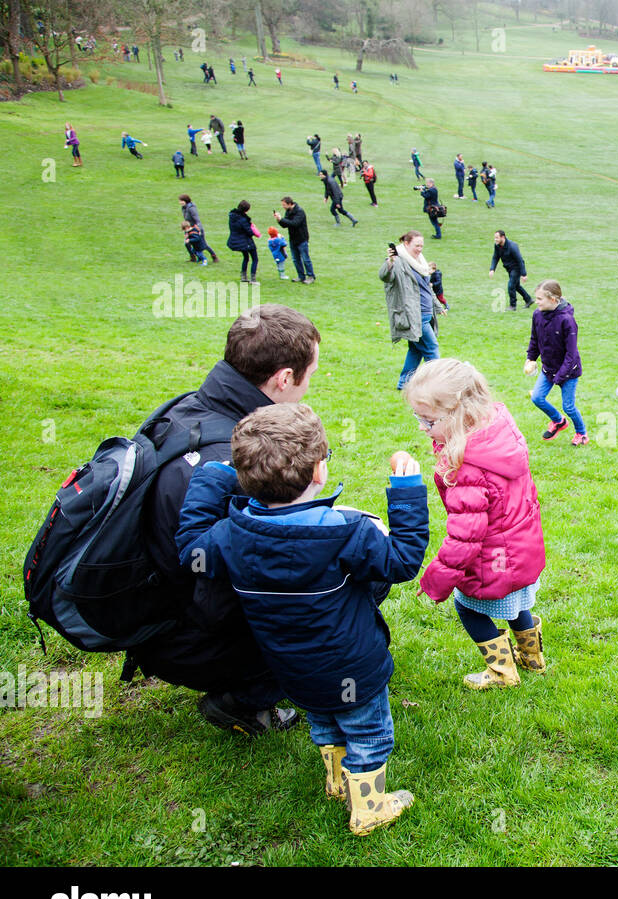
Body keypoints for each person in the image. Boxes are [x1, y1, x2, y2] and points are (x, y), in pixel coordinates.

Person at [175, 403, 428, 835]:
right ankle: (368, 808)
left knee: (323, 717)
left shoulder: (232, 533)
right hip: (353, 666)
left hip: (290, 666)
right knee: (368, 733)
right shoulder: (345, 531)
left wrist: (210, 478)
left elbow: (190, 551)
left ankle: (335, 779)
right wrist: (405, 492)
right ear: (318, 472)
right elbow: (402, 562)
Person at [124, 306, 321, 736]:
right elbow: (254, 578)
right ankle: (244, 697)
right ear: (283, 379)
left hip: (150, 617)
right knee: (336, 577)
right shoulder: (239, 458)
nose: (308, 389)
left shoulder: (186, 409)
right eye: (309, 375)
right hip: (185, 636)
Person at [407, 359, 548, 690]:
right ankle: (533, 658)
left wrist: (437, 581)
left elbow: (463, 538)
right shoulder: (496, 429)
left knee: (468, 608)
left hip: (493, 560)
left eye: (427, 421)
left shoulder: (465, 467)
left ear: (456, 413)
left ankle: (502, 673)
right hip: (521, 548)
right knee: (516, 604)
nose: (421, 427)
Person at [525, 280, 587, 445]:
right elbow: (534, 339)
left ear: (553, 299)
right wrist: (530, 358)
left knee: (568, 406)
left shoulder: (567, 320)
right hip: (549, 369)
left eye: (539, 299)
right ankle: (559, 421)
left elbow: (571, 354)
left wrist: (558, 378)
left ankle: (582, 433)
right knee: (537, 398)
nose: (536, 302)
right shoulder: (537, 315)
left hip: (569, 371)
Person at [384, 231, 446, 390]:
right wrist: (390, 261)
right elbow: (385, 276)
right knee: (432, 348)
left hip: (426, 312)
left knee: (415, 350)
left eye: (421, 245)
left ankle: (403, 383)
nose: (419, 249)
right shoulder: (399, 261)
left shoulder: (420, 262)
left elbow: (426, 288)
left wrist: (438, 307)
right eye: (416, 245)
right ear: (406, 244)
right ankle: (438, 383)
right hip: (415, 316)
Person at [274, 196, 315, 283]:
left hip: (302, 239)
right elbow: (285, 225)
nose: (283, 207)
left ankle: (311, 276)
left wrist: (282, 219)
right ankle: (301, 276)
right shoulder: (288, 211)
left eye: (284, 205)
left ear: (290, 204)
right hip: (293, 239)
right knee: (295, 259)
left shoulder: (300, 212)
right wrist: (279, 220)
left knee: (305, 259)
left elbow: (294, 223)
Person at [489, 230, 531, 311]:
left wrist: (524, 274)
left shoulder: (512, 246)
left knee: (511, 286)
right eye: (495, 238)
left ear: (503, 237)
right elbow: (495, 257)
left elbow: (520, 260)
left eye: (497, 238)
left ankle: (513, 306)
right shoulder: (497, 246)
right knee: (516, 286)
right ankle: (528, 299)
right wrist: (492, 269)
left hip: (516, 268)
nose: (495, 240)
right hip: (509, 268)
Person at [226, 200, 260, 283]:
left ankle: (243, 277)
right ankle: (253, 279)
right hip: (246, 242)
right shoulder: (243, 220)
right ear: (246, 210)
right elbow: (250, 232)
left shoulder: (232, 216)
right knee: (255, 259)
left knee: (246, 258)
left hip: (236, 241)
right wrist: (253, 228)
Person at [179, 195, 218, 264]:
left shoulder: (191, 208)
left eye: (181, 201)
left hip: (196, 228)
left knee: (203, 245)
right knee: (187, 243)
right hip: (188, 228)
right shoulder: (183, 208)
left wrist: (198, 229)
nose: (180, 202)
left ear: (186, 201)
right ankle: (193, 257)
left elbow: (197, 219)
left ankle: (214, 256)